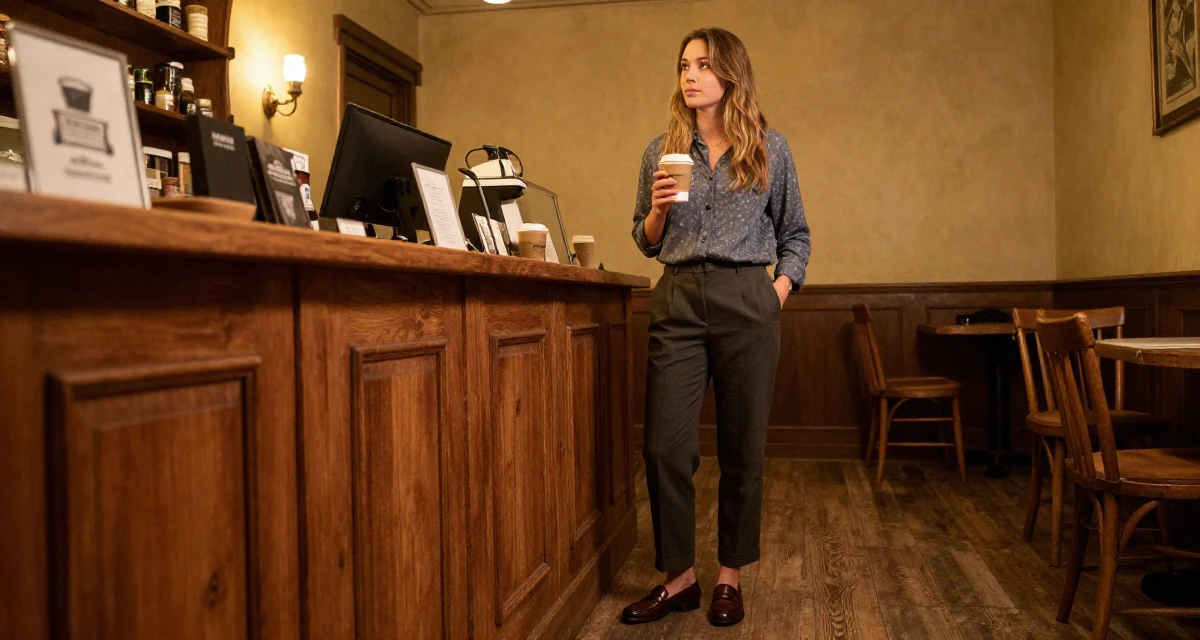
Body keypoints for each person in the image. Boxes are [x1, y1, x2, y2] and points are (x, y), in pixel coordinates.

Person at [621, 27, 811, 628]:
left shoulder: (771, 150)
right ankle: (679, 578)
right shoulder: (661, 151)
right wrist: (657, 210)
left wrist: (776, 291)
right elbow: (645, 241)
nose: (691, 75)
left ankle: (730, 574)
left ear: (731, 74)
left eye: (703, 65)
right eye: (684, 65)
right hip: (677, 298)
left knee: (742, 448)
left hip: (747, 299)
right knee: (664, 448)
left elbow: (796, 235)